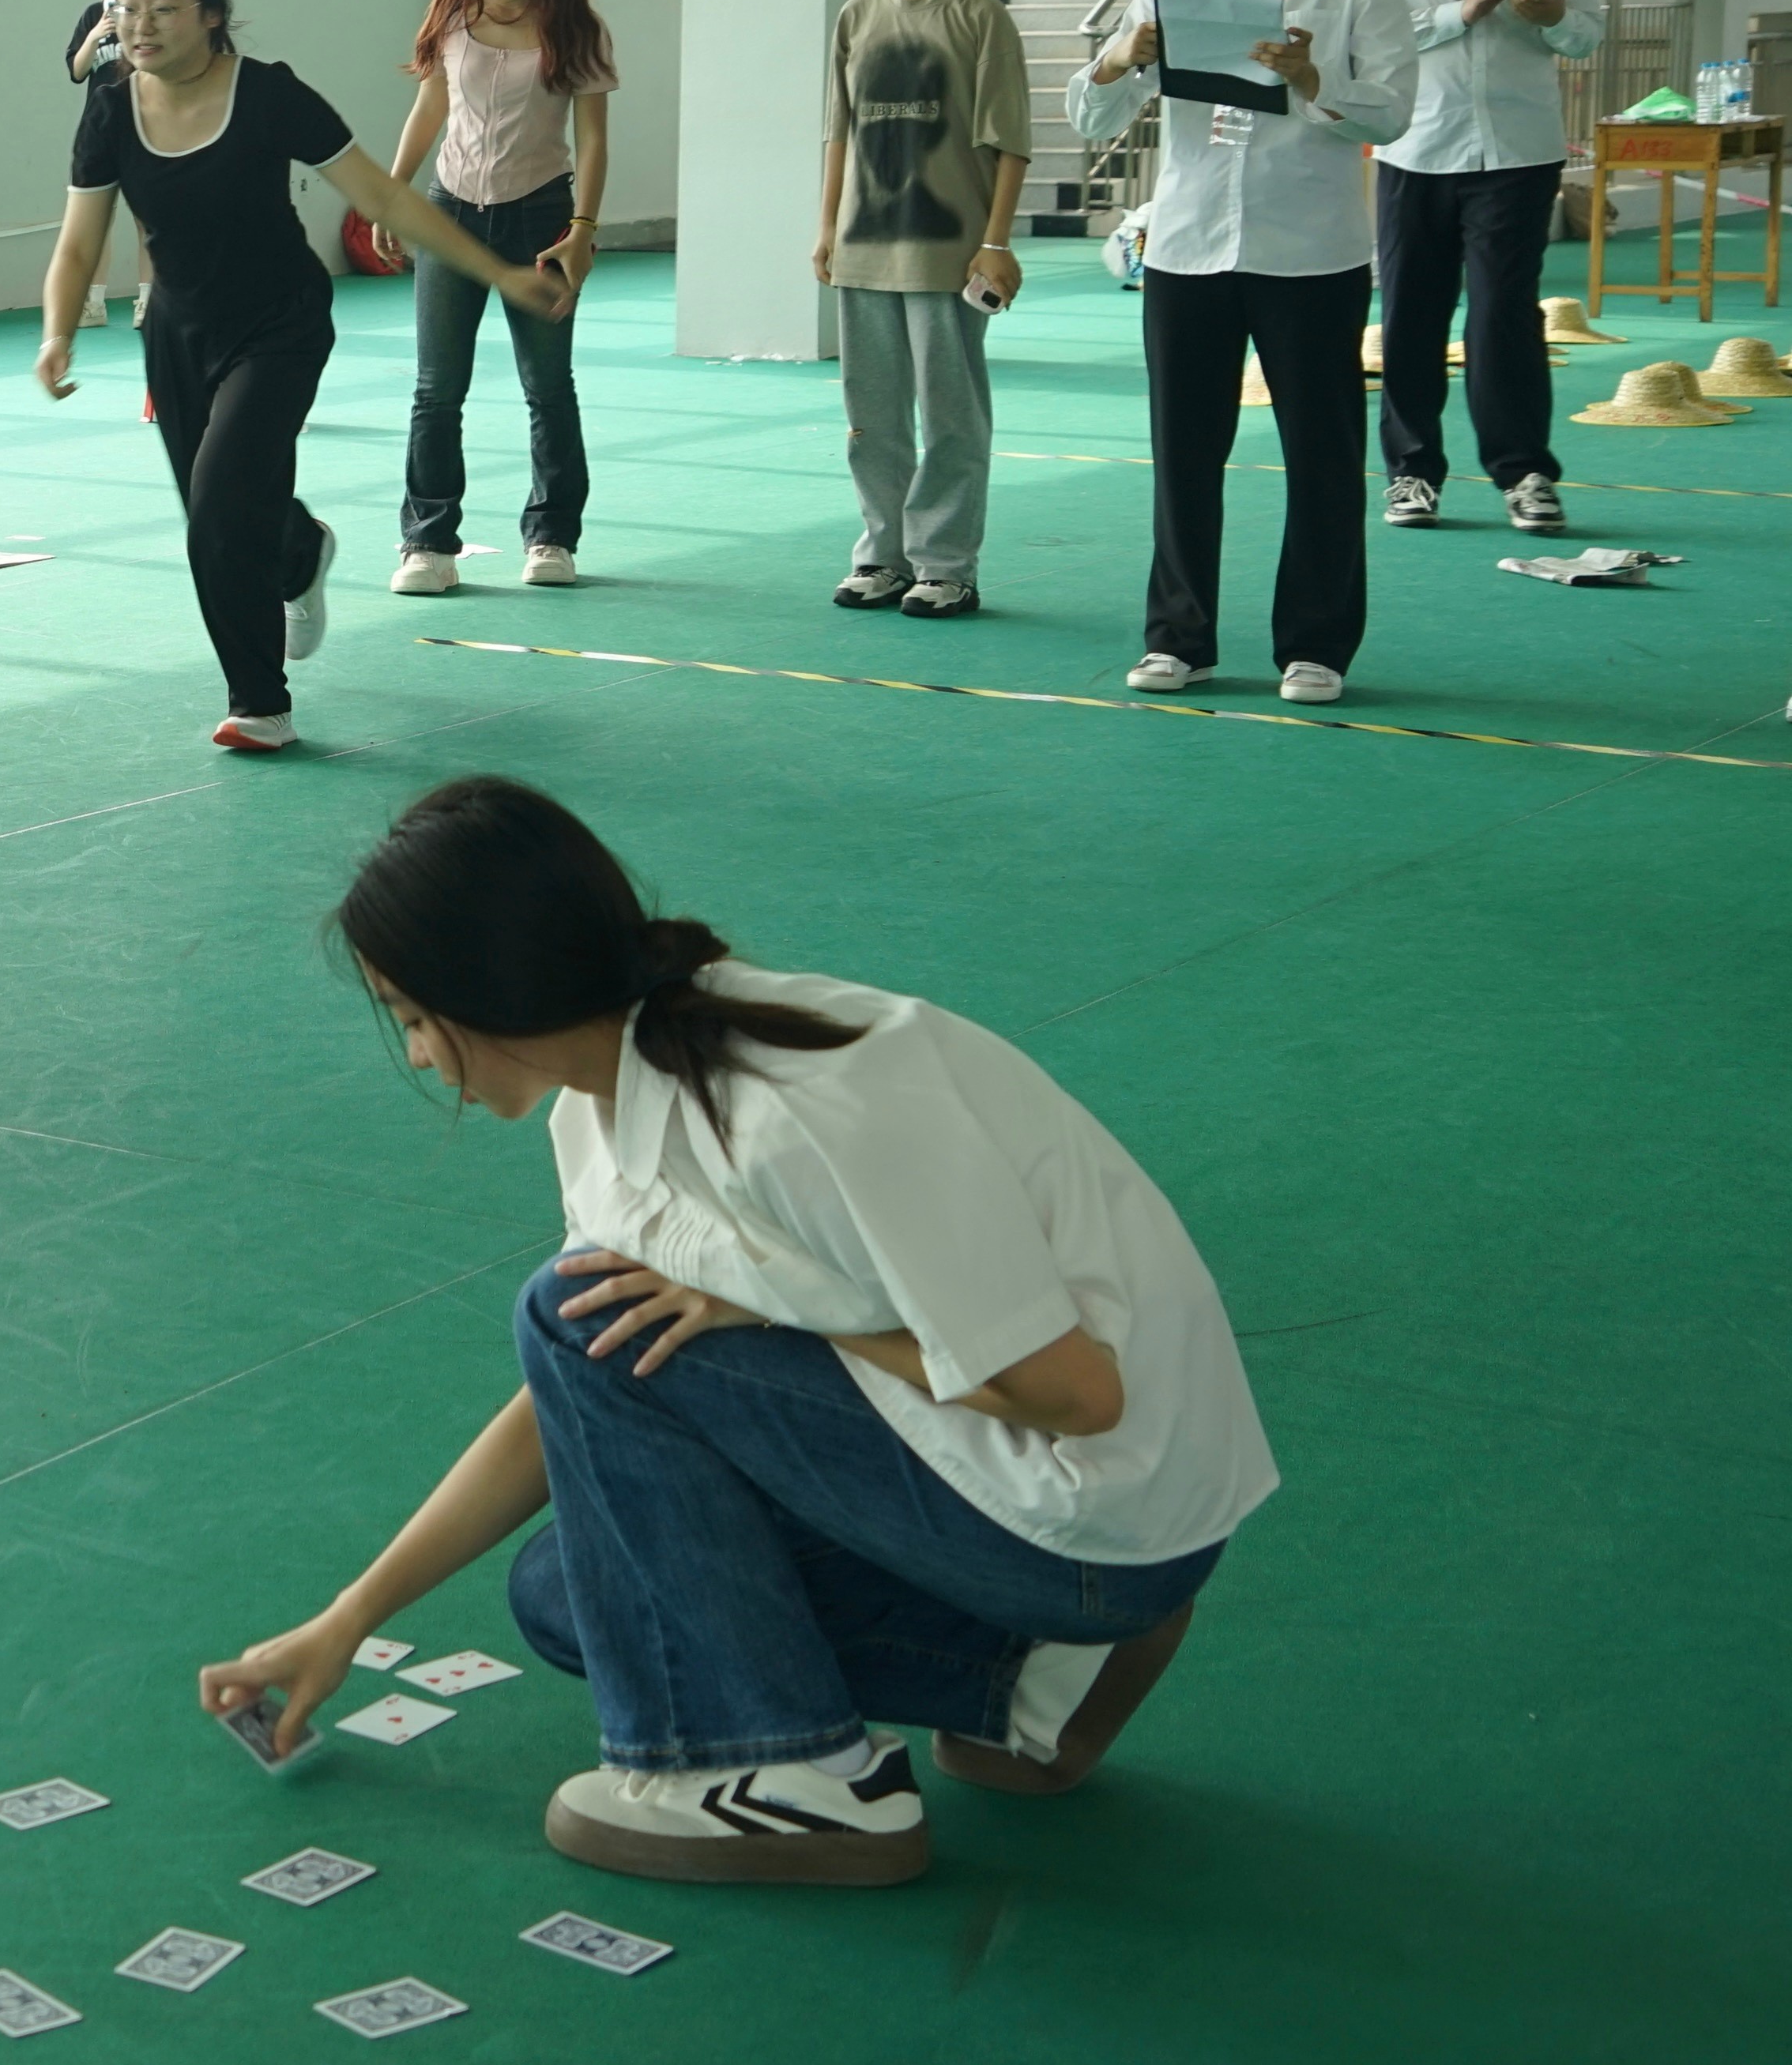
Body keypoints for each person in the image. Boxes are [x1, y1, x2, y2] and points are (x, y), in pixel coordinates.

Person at [204, 777, 1275, 1886]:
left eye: (416, 1020)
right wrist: (350, 1617)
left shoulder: (795, 1112)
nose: (423, 1059)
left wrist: (780, 1308)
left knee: (566, 1316)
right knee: (570, 1593)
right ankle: (1023, 1671)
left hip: (1097, 1513)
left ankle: (788, 1777)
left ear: (493, 990)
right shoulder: (605, 1105)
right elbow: (585, 1385)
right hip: (1039, 1517)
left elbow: (1080, 1395)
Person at [30, 0, 574, 757]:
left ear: (212, 14)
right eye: (126, 8)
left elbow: (384, 197)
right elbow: (79, 243)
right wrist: (58, 331)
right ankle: (297, 551)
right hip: (179, 332)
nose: (140, 25)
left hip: (279, 323)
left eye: (163, 8)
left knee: (219, 508)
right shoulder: (112, 110)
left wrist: (498, 272)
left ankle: (260, 703)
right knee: (223, 508)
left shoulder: (270, 96)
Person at [1071, 0, 1416, 703]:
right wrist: (1122, 58)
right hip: (1187, 248)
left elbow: (1393, 111)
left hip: (1310, 251)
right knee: (1184, 453)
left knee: (1322, 454)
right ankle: (1179, 638)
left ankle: (1316, 645)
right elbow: (1092, 114)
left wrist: (1315, 78)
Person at [1362, 0, 1590, 536]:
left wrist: (1554, 19)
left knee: (1503, 313)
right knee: (1411, 314)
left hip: (1519, 149)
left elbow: (1588, 34)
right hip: (1418, 145)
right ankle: (1412, 472)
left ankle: (1524, 473)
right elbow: (1377, 36)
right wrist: (1459, 13)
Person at [816, 0, 1032, 621]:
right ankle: (884, 554)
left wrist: (996, 242)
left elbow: (1010, 143)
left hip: (948, 252)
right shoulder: (857, 18)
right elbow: (838, 133)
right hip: (865, 246)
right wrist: (827, 228)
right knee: (870, 419)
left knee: (950, 417)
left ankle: (946, 564)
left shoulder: (981, 19)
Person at [388, 0, 615, 595]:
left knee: (548, 388)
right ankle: (428, 544)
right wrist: (392, 194)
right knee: (436, 390)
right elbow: (431, 105)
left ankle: (552, 536)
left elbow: (594, 138)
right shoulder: (452, 10)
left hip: (540, 216)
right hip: (450, 210)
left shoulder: (576, 24)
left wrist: (582, 230)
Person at [58, 0, 147, 325]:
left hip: (145, 127)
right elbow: (77, 71)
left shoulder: (146, 16)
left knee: (147, 217)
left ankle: (149, 300)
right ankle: (93, 302)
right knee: (95, 220)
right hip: (100, 131)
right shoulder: (94, 14)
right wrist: (96, 35)